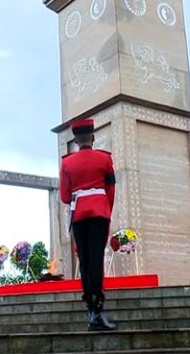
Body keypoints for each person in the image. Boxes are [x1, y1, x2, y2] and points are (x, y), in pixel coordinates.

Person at [59, 118, 117, 332]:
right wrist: (105, 210)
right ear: (92, 138)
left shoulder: (67, 163)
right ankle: (98, 310)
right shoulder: (104, 159)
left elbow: (65, 196)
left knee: (84, 260)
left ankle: (90, 309)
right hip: (100, 211)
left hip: (79, 214)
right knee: (96, 260)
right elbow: (111, 190)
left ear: (75, 140)